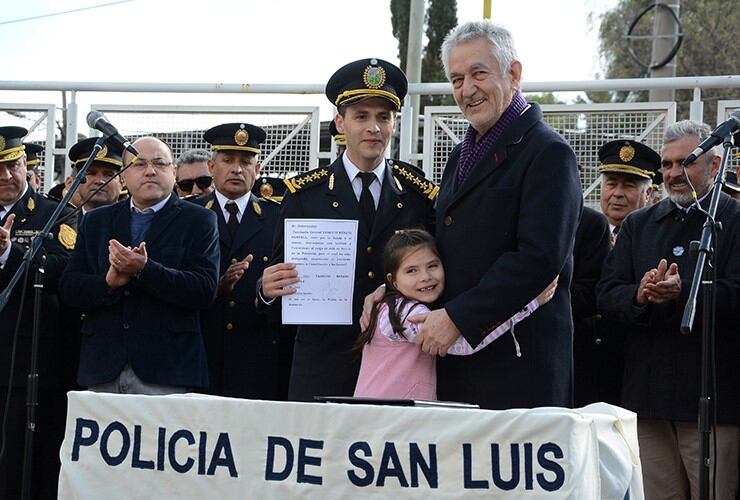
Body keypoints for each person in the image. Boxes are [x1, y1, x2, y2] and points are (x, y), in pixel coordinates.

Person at [403, 21, 581, 410]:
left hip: (518, 372)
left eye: (478, 73)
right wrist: (393, 289)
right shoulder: (460, 155)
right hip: (461, 364)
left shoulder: (548, 153)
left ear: (513, 74)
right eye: (456, 79)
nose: (467, 90)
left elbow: (539, 257)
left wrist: (458, 318)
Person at [258, 58, 436, 402]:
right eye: (361, 116)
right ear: (340, 122)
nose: (374, 127)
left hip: (398, 365)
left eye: (383, 117)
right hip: (324, 364)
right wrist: (265, 289)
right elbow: (281, 283)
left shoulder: (418, 196)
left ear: (395, 123)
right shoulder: (303, 196)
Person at [597, 120, 739, 500]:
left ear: (714, 164)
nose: (674, 173)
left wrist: (684, 293)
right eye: (667, 164)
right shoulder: (638, 226)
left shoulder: (735, 220)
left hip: (714, 403)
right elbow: (607, 293)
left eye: (686, 162)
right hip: (647, 399)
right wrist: (641, 295)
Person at [59, 136, 220, 395]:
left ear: (174, 172)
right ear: (123, 177)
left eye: (160, 163)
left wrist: (145, 269)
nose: (150, 171)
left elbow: (204, 289)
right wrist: (107, 282)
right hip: (103, 366)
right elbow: (69, 287)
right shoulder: (96, 221)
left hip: (168, 370)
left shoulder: (199, 219)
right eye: (139, 164)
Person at [354, 229, 556, 400]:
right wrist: (526, 305)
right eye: (411, 271)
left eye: (432, 266)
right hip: (388, 424)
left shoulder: (390, 305)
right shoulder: (407, 314)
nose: (425, 277)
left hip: (386, 420)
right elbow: (464, 343)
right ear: (393, 280)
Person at [0, 126, 77, 499]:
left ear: (26, 165)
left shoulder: (54, 213)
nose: (5, 176)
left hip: (29, 366)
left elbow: (63, 273)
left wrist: (6, 253)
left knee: (24, 468)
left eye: (12, 165)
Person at [196, 123, 291, 400]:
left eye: (245, 161)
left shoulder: (278, 218)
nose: (237, 169)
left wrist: (265, 295)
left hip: (258, 357)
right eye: (228, 161)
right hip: (203, 354)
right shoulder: (191, 214)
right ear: (211, 167)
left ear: (258, 169)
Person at [599, 139, 658, 245]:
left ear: (647, 193)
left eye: (629, 186)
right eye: (611, 184)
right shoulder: (584, 235)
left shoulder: (656, 239)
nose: (617, 193)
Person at [67, 137, 125, 215]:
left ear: (122, 182)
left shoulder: (137, 224)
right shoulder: (60, 225)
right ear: (77, 182)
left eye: (109, 175)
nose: (99, 181)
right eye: (91, 173)